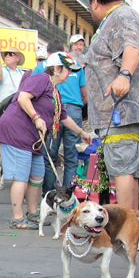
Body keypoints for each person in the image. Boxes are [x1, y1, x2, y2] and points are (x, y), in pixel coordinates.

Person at [84, 0, 139, 210]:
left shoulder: (120, 16)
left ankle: (124, 235)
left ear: (95, 2)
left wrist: (124, 74)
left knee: (124, 172)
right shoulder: (122, 16)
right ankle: (131, 234)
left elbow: (130, 48)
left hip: (123, 114)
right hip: (130, 114)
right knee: (129, 174)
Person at [0, 52, 90, 229]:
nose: (70, 73)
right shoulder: (41, 78)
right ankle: (17, 217)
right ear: (57, 69)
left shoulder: (55, 91)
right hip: (18, 133)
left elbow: (63, 117)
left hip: (34, 139)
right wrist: (36, 117)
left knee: (37, 176)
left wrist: (81, 132)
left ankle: (32, 213)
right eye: (68, 69)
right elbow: (23, 97)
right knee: (21, 177)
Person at [32, 39, 87, 193]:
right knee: (71, 157)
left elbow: (31, 89)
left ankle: (50, 194)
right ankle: (69, 195)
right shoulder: (75, 64)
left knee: (49, 155)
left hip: (52, 111)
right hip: (74, 110)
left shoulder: (42, 65)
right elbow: (84, 95)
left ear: (48, 54)